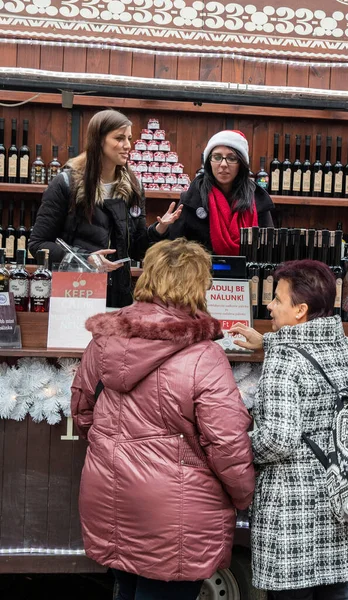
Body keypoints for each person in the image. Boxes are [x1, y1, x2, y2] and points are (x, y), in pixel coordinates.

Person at [71, 238, 255, 600]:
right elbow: (227, 443)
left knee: (126, 586)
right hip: (177, 513)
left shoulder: (103, 340)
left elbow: (81, 410)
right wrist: (243, 494)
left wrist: (114, 450)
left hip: (111, 495)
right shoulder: (205, 356)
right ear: (196, 287)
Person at [229, 260, 348, 600]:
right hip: (339, 502)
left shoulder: (284, 360)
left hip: (293, 516)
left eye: (277, 299)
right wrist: (268, 343)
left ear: (300, 310)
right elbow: (310, 354)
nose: (269, 305)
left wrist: (235, 448)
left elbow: (279, 439)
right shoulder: (347, 348)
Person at [28, 109, 181, 307]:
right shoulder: (66, 184)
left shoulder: (134, 187)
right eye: (119, 138)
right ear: (99, 140)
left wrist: (159, 230)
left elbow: (136, 250)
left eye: (129, 138)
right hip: (75, 293)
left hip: (119, 297)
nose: (127, 146)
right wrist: (85, 257)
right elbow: (38, 244)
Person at [159, 129, 274, 254]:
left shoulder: (257, 199)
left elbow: (269, 249)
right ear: (209, 161)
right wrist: (162, 228)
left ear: (241, 163)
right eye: (217, 157)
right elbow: (174, 247)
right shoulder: (192, 198)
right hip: (202, 272)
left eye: (231, 158)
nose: (223, 164)